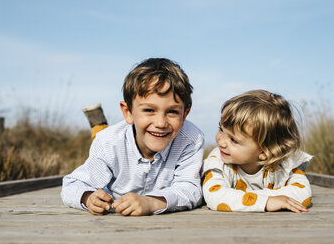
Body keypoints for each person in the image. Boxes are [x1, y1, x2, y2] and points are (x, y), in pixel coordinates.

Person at [61, 58, 204, 216]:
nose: (161, 123)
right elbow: (73, 184)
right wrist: (89, 198)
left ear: (185, 115)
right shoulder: (109, 142)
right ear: (128, 112)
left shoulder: (191, 139)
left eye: (172, 112)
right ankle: (98, 126)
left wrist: (153, 202)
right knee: (102, 137)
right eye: (149, 110)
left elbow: (190, 188)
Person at [202, 90, 313, 213]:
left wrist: (243, 197)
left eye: (233, 140)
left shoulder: (282, 164)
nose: (220, 141)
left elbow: (303, 193)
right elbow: (214, 195)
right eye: (221, 129)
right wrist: (267, 201)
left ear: (266, 151)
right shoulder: (218, 159)